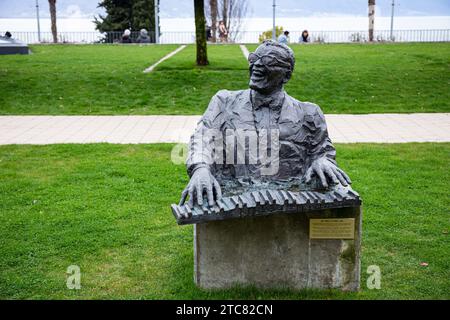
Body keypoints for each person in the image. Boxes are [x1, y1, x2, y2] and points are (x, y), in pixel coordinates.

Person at [179, 40, 351, 207]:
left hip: (292, 206)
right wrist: (200, 168)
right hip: (233, 204)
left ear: (287, 75)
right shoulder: (223, 102)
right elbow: (202, 138)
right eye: (254, 58)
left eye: (269, 61)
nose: (257, 66)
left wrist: (322, 160)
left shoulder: (309, 114)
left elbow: (322, 152)